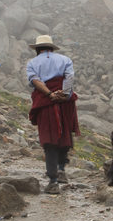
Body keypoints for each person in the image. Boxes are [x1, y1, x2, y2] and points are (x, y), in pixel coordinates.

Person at [25, 34, 79, 192]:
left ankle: (53, 181)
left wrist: (50, 95)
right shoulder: (65, 59)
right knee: (64, 134)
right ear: (51, 48)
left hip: (45, 102)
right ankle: (62, 170)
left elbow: (35, 80)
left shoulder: (32, 63)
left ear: (37, 49)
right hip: (65, 102)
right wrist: (64, 94)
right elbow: (69, 77)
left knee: (49, 140)